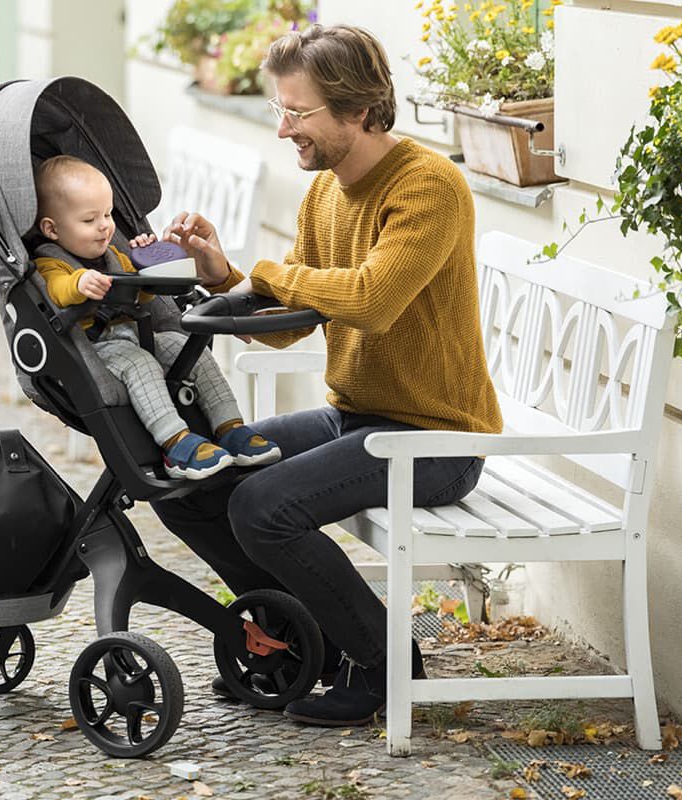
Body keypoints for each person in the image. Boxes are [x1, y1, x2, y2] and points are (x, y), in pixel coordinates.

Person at [150, 24, 501, 727]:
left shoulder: (428, 186)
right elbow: (291, 322)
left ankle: (382, 665)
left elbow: (370, 302)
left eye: (298, 113)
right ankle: (307, 638)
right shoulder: (326, 193)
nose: (283, 129)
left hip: (436, 439)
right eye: (281, 110)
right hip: (359, 416)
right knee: (187, 483)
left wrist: (272, 273)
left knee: (261, 507)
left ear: (360, 110)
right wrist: (227, 276)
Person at [31, 155, 280, 479]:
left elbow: (143, 296)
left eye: (108, 214)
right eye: (90, 220)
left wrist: (145, 266)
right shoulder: (51, 263)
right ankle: (176, 443)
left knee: (183, 344)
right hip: (95, 347)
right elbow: (58, 292)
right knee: (140, 363)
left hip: (136, 334)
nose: (105, 226)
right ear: (51, 228)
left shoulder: (114, 255)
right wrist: (78, 284)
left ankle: (230, 427)